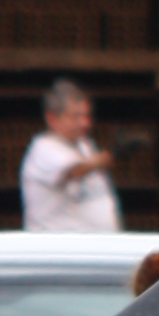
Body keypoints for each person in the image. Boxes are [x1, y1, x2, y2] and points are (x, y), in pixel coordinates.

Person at [18, 79, 119, 235]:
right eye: (75, 116)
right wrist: (111, 155)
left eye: (86, 116)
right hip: (59, 251)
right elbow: (75, 170)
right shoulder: (44, 148)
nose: (84, 123)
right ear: (52, 118)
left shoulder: (84, 146)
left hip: (93, 247)